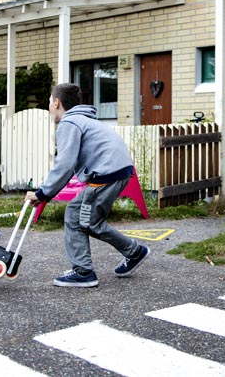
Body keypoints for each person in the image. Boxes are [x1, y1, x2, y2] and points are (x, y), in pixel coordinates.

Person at [26, 83, 150, 287]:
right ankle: (133, 252)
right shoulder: (85, 120)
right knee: (87, 220)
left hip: (107, 173)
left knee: (77, 217)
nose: (49, 108)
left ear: (56, 103)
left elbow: (64, 164)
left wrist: (43, 193)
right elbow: (70, 164)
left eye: (49, 103)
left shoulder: (69, 123)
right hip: (118, 171)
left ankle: (83, 272)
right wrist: (46, 193)